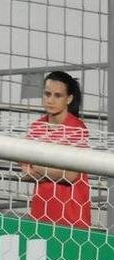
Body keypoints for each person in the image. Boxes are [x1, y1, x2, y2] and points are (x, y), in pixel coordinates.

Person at [20, 71, 91, 229]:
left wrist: (36, 165)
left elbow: (70, 175)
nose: (50, 100)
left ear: (69, 99)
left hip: (73, 216)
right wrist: (56, 171)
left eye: (58, 95)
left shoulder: (77, 128)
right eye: (47, 94)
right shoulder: (36, 127)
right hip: (41, 213)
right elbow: (26, 173)